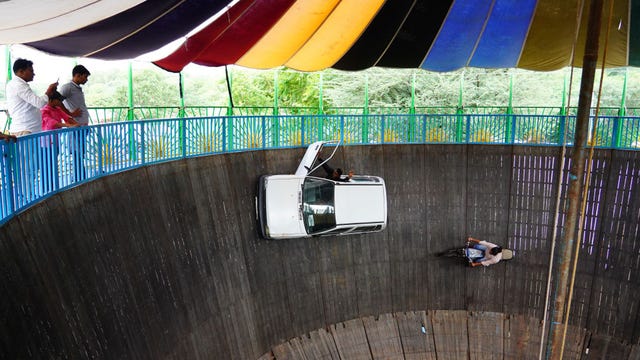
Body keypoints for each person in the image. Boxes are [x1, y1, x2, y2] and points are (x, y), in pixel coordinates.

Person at [6, 58, 58, 136]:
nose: (33, 74)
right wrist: (48, 91)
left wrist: (48, 93)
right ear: (21, 71)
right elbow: (39, 103)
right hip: (25, 130)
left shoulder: (17, 85)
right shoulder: (18, 85)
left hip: (28, 129)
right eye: (31, 71)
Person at [40, 91, 79, 191]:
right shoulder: (44, 110)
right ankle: (46, 188)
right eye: (58, 100)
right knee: (47, 165)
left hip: (55, 140)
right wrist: (69, 125)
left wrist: (76, 124)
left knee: (53, 163)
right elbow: (52, 123)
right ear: (51, 100)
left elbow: (67, 117)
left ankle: (52, 187)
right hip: (46, 142)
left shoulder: (57, 109)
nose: (60, 102)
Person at [59, 65, 90, 181]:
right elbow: (57, 102)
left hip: (82, 126)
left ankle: (79, 175)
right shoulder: (67, 87)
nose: (86, 79)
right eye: (85, 77)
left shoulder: (77, 88)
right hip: (75, 127)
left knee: (80, 152)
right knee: (76, 152)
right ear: (78, 75)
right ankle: (79, 177)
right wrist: (70, 114)